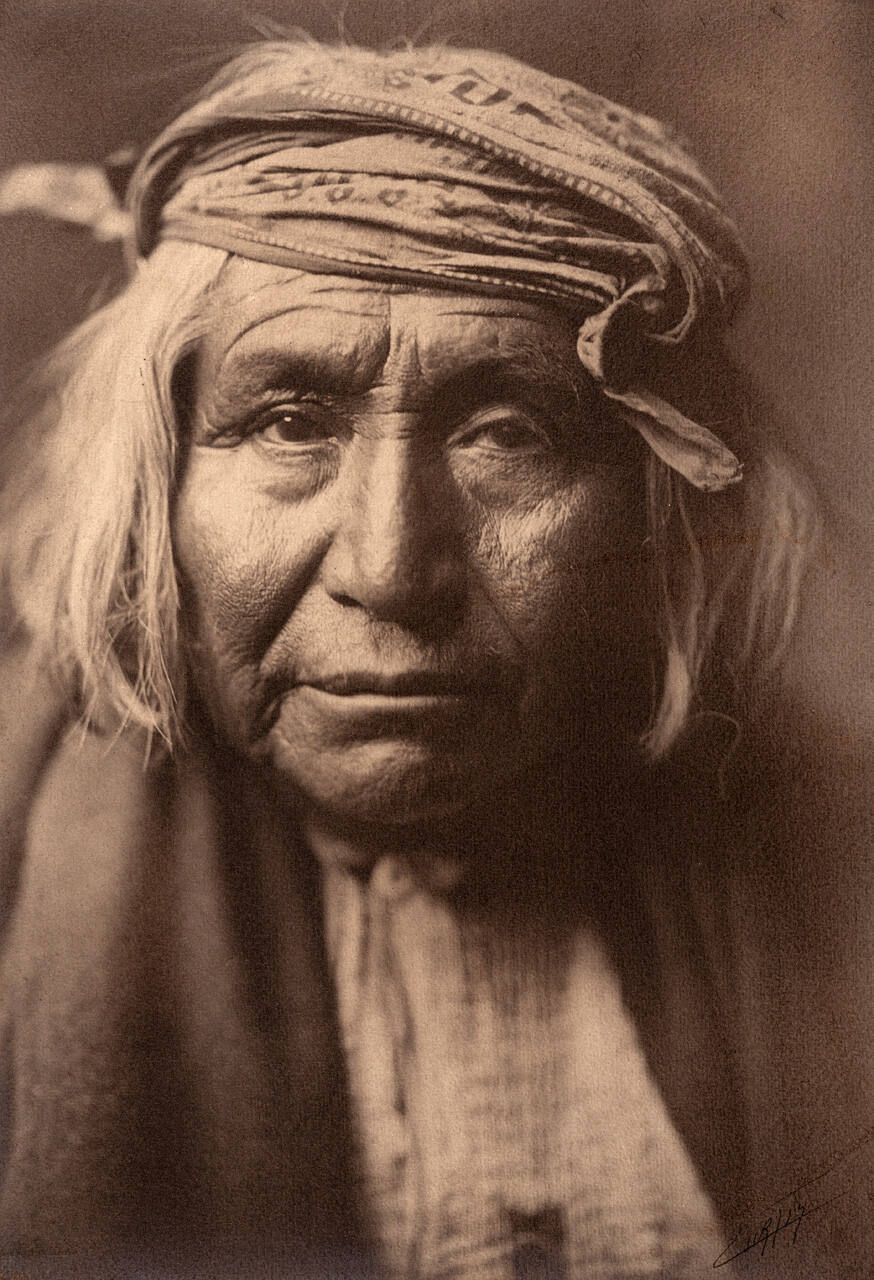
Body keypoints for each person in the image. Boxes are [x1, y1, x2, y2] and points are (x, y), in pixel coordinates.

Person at [0, 38, 871, 1280]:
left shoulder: (838, 854)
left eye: (506, 433)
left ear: (654, 501)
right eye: (289, 422)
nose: (394, 568)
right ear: (154, 485)